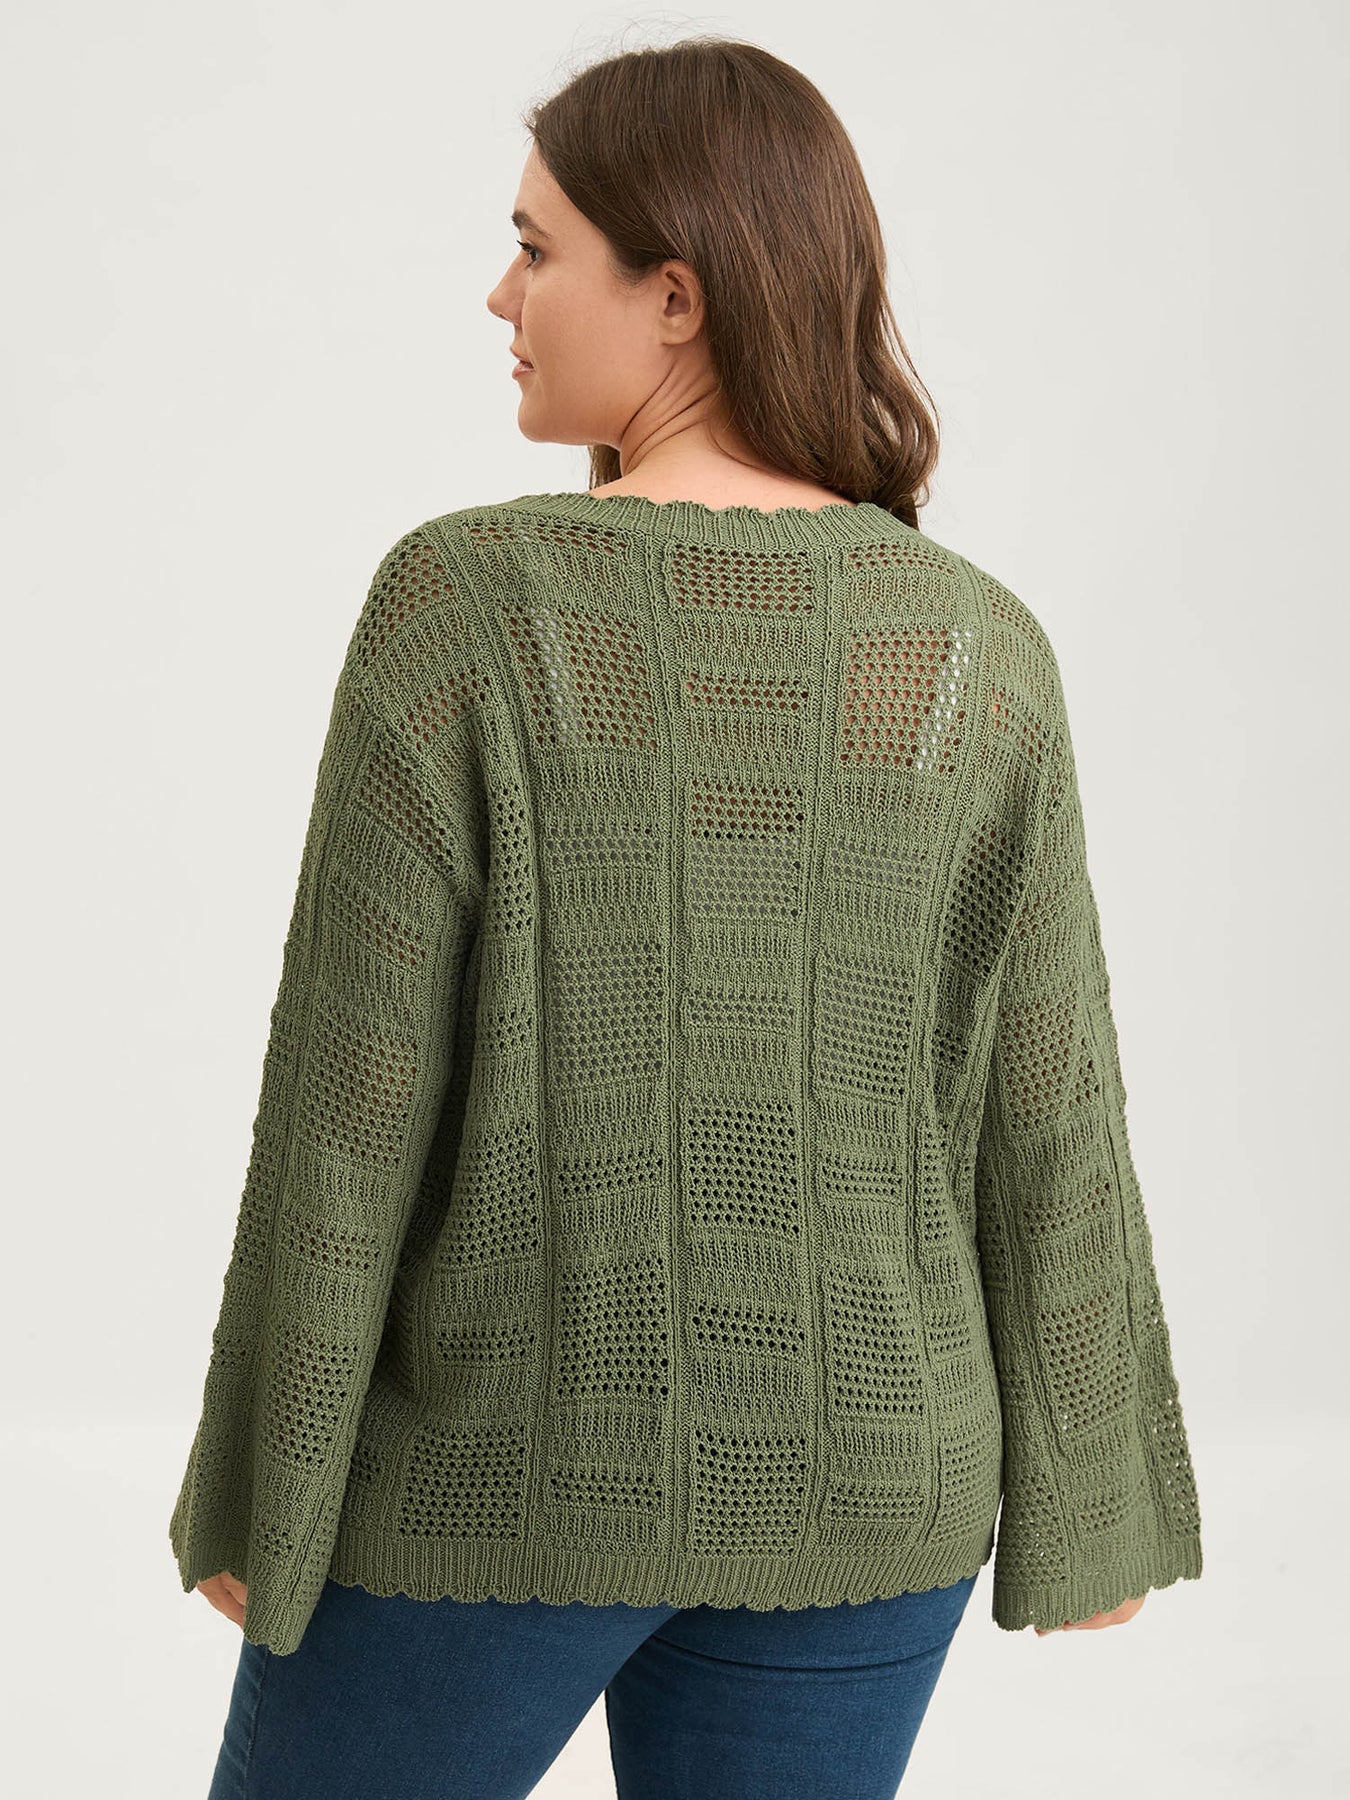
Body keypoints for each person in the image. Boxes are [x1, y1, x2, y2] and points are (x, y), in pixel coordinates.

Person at [172, 34, 1202, 1800]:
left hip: (501, 1478)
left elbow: (348, 1105)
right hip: (876, 1478)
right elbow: (1048, 1111)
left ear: (675, 295)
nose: (498, 294)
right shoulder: (974, 651)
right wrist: (1085, 1498)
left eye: (534, 248)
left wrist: (264, 1486)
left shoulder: (464, 604)